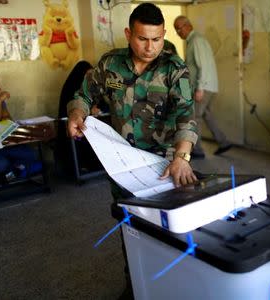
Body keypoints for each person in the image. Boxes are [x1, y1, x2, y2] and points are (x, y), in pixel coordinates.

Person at [66, 4, 198, 296]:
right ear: (128, 34)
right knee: (130, 226)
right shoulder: (110, 64)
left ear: (164, 34)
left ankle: (169, 288)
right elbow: (83, 95)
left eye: (156, 39)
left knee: (166, 227)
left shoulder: (175, 69)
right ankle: (136, 283)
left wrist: (182, 156)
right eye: (141, 39)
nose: (150, 47)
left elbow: (186, 115)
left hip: (163, 165)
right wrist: (77, 114)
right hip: (122, 163)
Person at [174, 15, 231, 158]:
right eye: (176, 30)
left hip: (203, 87)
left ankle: (197, 150)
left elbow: (203, 67)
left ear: (188, 26)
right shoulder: (195, 40)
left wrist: (199, 88)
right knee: (206, 114)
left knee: (194, 117)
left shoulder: (196, 40)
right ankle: (223, 142)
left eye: (179, 28)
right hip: (207, 86)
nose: (178, 32)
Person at [56, 60, 107, 178]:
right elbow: (75, 105)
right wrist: (85, 111)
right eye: (87, 75)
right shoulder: (72, 88)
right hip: (73, 127)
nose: (89, 79)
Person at [0, 75, 41, 182]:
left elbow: (7, 119)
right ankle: (13, 172)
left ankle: (11, 173)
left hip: (3, 145)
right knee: (1, 163)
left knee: (32, 154)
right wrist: (0, 100)